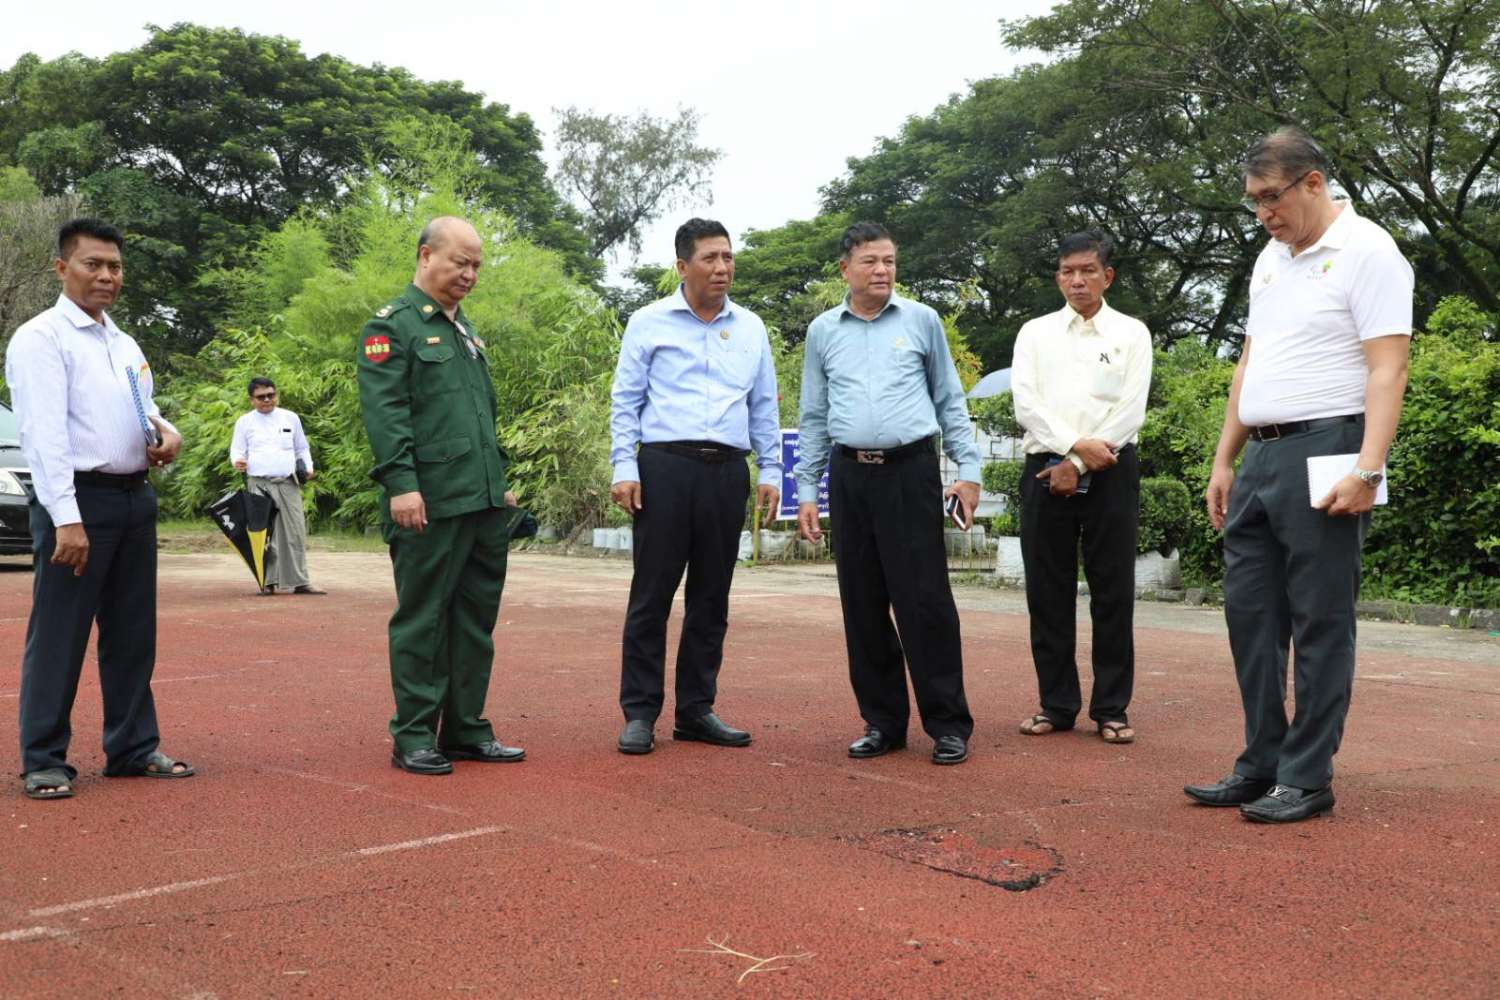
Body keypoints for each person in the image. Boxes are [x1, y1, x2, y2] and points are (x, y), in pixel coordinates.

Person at [1185, 127, 1412, 823]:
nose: (1262, 213)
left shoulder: (1369, 250)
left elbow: (1388, 367)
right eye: (1253, 201)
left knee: (1320, 617)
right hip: (1261, 452)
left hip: (1330, 446)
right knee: (1249, 615)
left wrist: (1369, 468)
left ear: (1314, 183)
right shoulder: (1270, 258)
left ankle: (1307, 775)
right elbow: (1249, 362)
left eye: (1270, 197)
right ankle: (1261, 760)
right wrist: (1224, 458)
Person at [4, 218, 193, 800]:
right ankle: (44, 759)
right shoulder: (41, 339)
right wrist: (66, 517)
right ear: (62, 268)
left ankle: (132, 748)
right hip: (78, 501)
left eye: (114, 266)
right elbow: (43, 435)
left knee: (133, 633)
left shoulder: (123, 342)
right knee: (60, 634)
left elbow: (144, 406)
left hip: (134, 497)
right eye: (93, 264)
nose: (107, 275)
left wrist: (167, 433)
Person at [795, 221, 981, 765]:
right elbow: (813, 413)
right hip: (849, 476)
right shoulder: (823, 332)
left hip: (909, 472)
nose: (882, 271)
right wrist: (807, 489)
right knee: (863, 603)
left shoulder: (921, 320)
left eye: (890, 261)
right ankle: (882, 723)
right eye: (870, 261)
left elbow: (949, 399)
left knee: (925, 602)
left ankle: (948, 724)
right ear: (845, 269)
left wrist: (969, 470)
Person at [356, 215, 526, 776]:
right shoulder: (392, 327)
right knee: (423, 619)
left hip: (481, 502)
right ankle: (413, 735)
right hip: (427, 502)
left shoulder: (464, 330)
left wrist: (497, 485)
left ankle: (466, 728)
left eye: (476, 265)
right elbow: (387, 413)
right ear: (426, 255)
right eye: (460, 262)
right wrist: (401, 485)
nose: (469, 274)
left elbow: (476, 417)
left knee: (474, 621)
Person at [609, 218, 781, 755]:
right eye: (710, 258)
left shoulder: (751, 327)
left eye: (728, 257)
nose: (722, 267)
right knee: (652, 594)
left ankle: (696, 710)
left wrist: (771, 470)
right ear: (683, 266)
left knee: (712, 596)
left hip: (727, 471)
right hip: (664, 468)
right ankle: (640, 713)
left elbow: (763, 404)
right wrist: (624, 466)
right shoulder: (648, 322)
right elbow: (626, 399)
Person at [1010, 231, 1152, 744]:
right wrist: (1071, 450)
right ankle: (1057, 704)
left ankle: (1112, 708)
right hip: (1044, 471)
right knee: (1047, 593)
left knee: (1113, 592)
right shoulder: (1035, 333)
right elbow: (1026, 404)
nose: (1077, 281)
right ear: (1058, 278)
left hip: (1111, 470)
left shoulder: (1132, 333)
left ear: (1107, 276)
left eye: (1088, 270)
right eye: (1068, 271)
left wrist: (1078, 460)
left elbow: (1131, 410)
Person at [230, 376, 325, 595]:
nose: (267, 400)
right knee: (264, 534)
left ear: (276, 395)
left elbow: (302, 448)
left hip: (288, 483)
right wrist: (238, 460)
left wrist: (308, 467)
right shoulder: (244, 422)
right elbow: (237, 450)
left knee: (295, 532)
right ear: (252, 399)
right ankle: (268, 582)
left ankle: (300, 581)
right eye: (261, 397)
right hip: (259, 484)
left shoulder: (290, 418)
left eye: (270, 395)